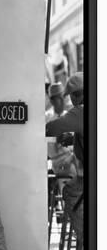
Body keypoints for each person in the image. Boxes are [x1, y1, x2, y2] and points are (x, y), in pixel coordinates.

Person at [46, 73, 84, 240]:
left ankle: (86, 237)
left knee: (69, 191)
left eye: (68, 97)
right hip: (65, 165)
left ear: (76, 95)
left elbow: (53, 128)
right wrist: (72, 138)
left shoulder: (79, 111)